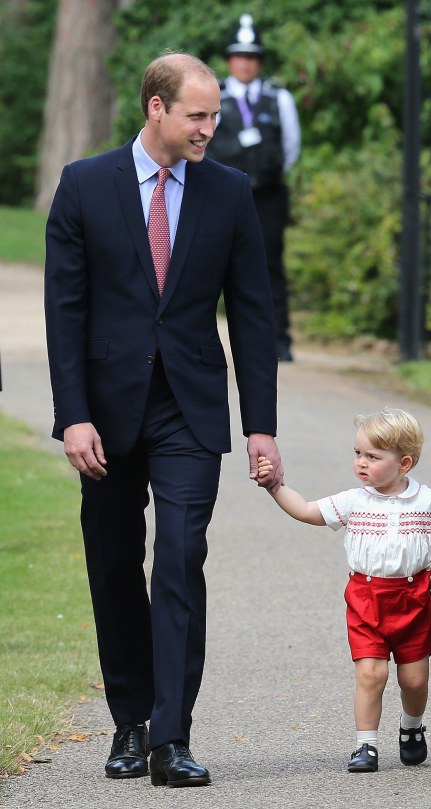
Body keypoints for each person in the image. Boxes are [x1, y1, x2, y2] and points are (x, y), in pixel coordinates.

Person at [44, 53, 283, 787]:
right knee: (116, 565)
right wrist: (72, 417)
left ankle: (171, 736)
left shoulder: (230, 192)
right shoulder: (85, 186)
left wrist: (261, 424)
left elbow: (251, 312)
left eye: (212, 115)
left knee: (180, 558)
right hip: (106, 416)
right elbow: (66, 312)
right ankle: (129, 720)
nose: (211, 128)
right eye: (198, 115)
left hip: (190, 406)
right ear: (156, 108)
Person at [257, 407, 431, 773]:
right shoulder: (354, 501)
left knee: (414, 678)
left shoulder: (426, 500)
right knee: (372, 674)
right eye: (358, 453)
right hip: (366, 599)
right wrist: (276, 486)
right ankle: (365, 744)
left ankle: (412, 727)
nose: (361, 463)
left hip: (412, 598)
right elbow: (306, 510)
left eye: (372, 456)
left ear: (404, 463)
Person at [205, 14, 301, 362]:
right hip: (220, 197)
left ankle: (279, 342)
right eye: (239, 55)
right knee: (211, 267)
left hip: (267, 197)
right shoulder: (214, 97)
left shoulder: (280, 99)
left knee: (269, 267)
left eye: (252, 56)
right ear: (230, 59)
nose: (245, 63)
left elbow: (291, 148)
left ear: (259, 61)